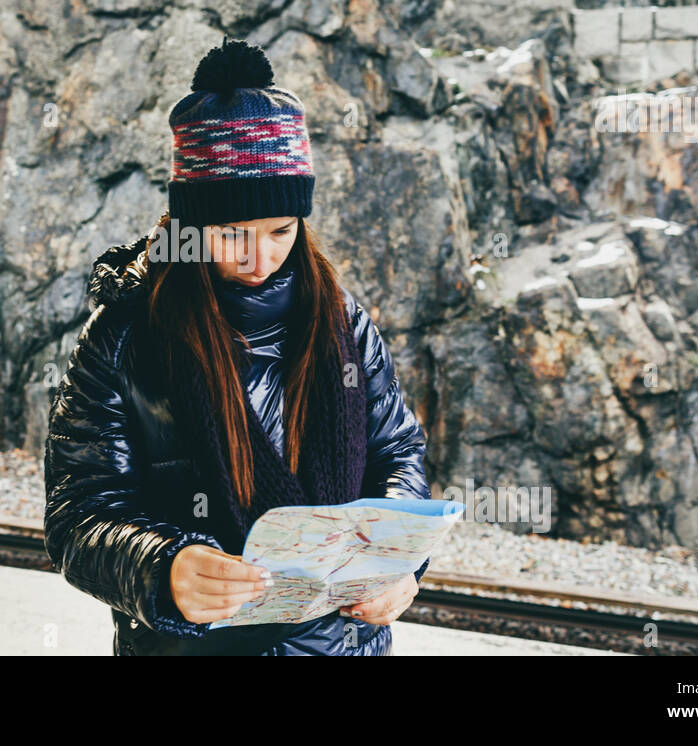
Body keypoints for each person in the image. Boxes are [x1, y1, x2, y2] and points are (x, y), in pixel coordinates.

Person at [43, 37, 432, 655]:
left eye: (280, 230)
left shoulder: (342, 322)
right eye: (230, 233)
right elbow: (79, 514)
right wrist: (161, 569)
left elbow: (399, 454)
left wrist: (399, 566)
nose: (260, 257)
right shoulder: (123, 339)